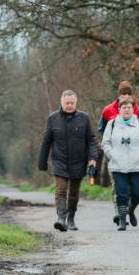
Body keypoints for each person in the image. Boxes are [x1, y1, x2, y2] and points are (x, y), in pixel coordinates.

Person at [38, 90, 98, 232]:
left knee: (74, 192)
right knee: (61, 189)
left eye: (72, 103)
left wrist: (92, 158)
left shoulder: (84, 118)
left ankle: (71, 218)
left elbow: (91, 140)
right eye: (67, 103)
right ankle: (61, 218)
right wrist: (42, 162)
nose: (69, 105)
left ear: (75, 103)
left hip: (78, 161)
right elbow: (46, 141)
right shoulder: (53, 118)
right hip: (60, 161)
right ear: (62, 103)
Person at [102, 98, 139, 231]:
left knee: (138, 193)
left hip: (137, 164)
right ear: (119, 110)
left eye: (129, 107)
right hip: (118, 165)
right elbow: (105, 143)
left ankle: (131, 210)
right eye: (124, 107)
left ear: (133, 109)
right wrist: (113, 155)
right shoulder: (112, 124)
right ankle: (122, 220)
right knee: (121, 193)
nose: (126, 109)